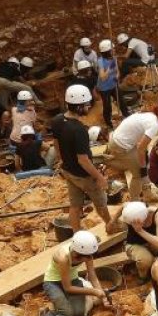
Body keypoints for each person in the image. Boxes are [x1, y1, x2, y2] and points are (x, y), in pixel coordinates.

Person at [49, 84, 111, 234]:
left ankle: (77, 233)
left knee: (75, 206)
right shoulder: (79, 130)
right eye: (86, 104)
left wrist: (61, 159)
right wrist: (99, 177)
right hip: (84, 176)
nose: (89, 107)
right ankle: (111, 225)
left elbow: (55, 142)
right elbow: (83, 160)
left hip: (68, 172)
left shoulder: (57, 120)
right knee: (101, 203)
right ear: (78, 106)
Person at [106, 96, 158, 202]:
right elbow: (141, 149)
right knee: (138, 174)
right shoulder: (154, 124)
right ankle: (135, 202)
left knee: (144, 165)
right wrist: (142, 168)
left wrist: (144, 163)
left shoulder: (150, 116)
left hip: (120, 139)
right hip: (120, 145)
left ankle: (148, 194)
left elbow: (141, 144)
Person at [39, 230, 111, 316]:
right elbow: (67, 288)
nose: (89, 258)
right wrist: (94, 291)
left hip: (72, 279)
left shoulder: (86, 253)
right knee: (67, 314)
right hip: (52, 282)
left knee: (78, 313)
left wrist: (102, 295)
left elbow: (92, 275)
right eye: (87, 257)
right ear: (78, 254)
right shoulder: (63, 257)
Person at [114, 201, 158, 280]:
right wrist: (112, 221)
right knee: (145, 260)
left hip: (152, 241)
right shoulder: (130, 210)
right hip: (134, 244)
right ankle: (143, 277)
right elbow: (123, 206)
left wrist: (140, 230)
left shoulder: (156, 213)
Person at [95, 39, 125, 127]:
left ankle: (127, 115)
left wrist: (117, 76)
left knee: (121, 101)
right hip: (104, 88)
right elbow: (102, 77)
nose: (114, 51)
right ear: (107, 51)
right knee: (107, 106)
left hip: (113, 85)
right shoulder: (100, 61)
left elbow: (117, 71)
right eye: (112, 50)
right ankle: (109, 123)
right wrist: (109, 69)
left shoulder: (114, 58)